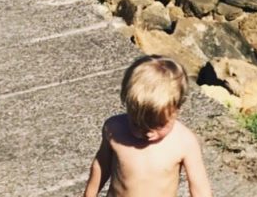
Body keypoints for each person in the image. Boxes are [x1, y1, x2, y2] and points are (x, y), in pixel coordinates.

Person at [83, 56, 212, 197]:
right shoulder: (114, 130)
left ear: (177, 109)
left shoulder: (184, 142)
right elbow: (102, 165)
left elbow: (200, 189)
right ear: (128, 106)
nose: (149, 133)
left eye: (159, 125)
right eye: (138, 124)